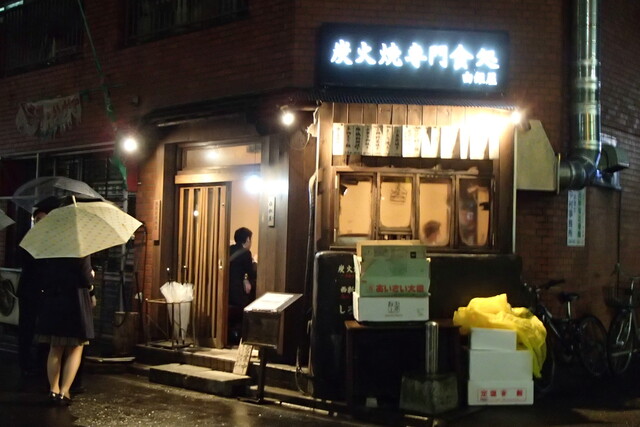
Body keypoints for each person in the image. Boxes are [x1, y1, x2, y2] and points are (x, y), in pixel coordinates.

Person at [35, 255, 94, 406]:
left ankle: (53, 390)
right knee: (75, 348)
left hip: (54, 299)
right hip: (76, 301)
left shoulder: (53, 249)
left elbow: (44, 275)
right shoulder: (81, 250)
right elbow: (86, 278)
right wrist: (92, 278)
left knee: (55, 347)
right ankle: (64, 391)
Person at [17, 207, 51, 379]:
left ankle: (40, 362)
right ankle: (25, 363)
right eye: (38, 220)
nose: (41, 223)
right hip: (29, 290)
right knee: (27, 327)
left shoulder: (51, 239)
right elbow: (26, 263)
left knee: (43, 328)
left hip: (45, 291)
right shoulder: (29, 239)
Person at [227, 227, 256, 344]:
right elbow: (251, 273)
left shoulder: (229, 249)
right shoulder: (246, 253)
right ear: (248, 239)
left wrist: (244, 278)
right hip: (237, 296)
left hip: (226, 293)